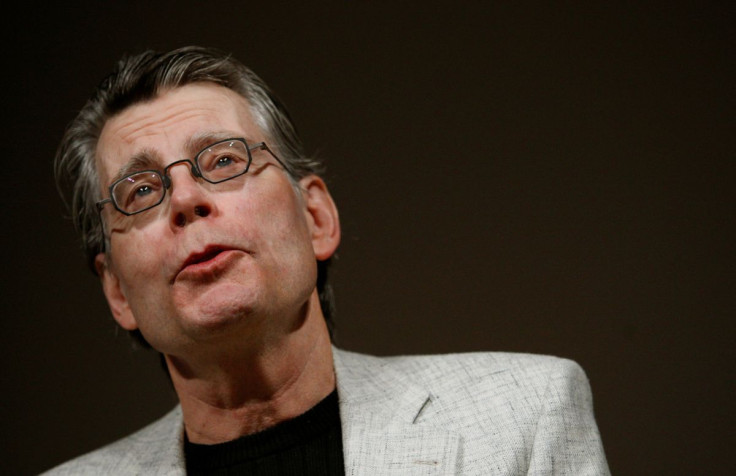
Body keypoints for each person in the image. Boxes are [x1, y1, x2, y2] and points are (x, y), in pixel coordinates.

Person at [43, 46, 610, 475]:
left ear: (316, 218)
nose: (186, 199)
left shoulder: (522, 418)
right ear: (117, 291)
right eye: (140, 191)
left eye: (222, 159)